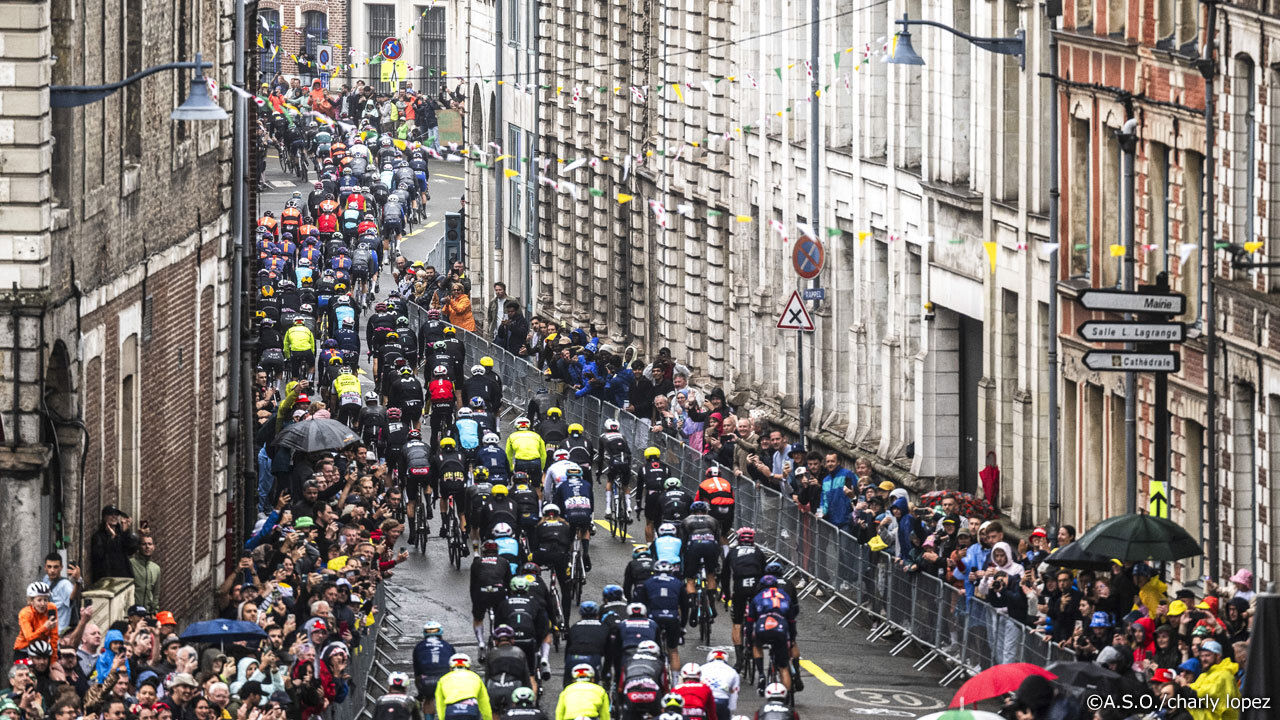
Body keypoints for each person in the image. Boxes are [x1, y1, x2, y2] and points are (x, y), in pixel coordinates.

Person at [434, 654, 492, 720]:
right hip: (471, 709)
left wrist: (442, 718)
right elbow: (484, 703)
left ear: (450, 668)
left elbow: (440, 704)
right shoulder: (476, 677)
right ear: (469, 667)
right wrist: (488, 718)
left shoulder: (443, 679)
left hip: (451, 711)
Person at [90, 505, 138, 582]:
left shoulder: (121, 533)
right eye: (110, 514)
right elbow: (99, 555)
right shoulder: (98, 536)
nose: (114, 517)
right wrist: (111, 539)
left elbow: (131, 550)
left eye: (116, 514)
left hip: (123, 576)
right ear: (104, 517)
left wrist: (126, 531)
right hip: (108, 578)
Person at [414, 622, 456, 709]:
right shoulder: (448, 646)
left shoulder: (419, 646)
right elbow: (453, 667)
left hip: (427, 681)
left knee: (428, 699)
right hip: (445, 679)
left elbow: (417, 671)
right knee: (447, 701)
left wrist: (421, 694)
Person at [700, 649, 739, 720]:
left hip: (705, 700)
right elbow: (734, 692)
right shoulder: (732, 671)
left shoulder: (702, 668)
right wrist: (731, 710)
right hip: (722, 701)